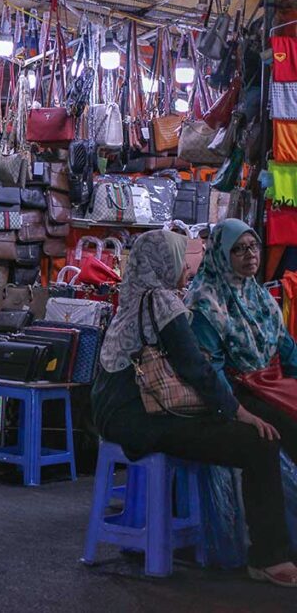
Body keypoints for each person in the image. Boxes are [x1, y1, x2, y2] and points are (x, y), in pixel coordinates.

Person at [91, 229, 297, 587]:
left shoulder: (134, 294)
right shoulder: (164, 302)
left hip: (116, 416)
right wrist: (238, 411)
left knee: (254, 433)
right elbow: (196, 368)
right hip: (145, 421)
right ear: (164, 262)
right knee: (258, 442)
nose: (187, 266)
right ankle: (268, 557)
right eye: (180, 258)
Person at [189, 219, 297, 460]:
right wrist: (236, 410)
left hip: (267, 384)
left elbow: (287, 347)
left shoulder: (257, 294)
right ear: (221, 254)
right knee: (286, 429)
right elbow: (209, 368)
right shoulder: (205, 303)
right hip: (235, 391)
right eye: (238, 249)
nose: (250, 254)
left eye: (253, 246)